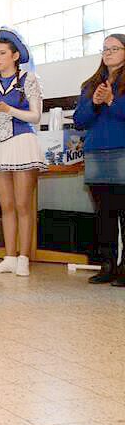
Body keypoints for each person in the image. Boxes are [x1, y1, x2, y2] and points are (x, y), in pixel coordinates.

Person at [0, 27, 46, 277]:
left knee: (23, 204)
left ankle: (23, 258)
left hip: (23, 142)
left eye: (2, 53)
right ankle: (9, 257)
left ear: (15, 56)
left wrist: (9, 110)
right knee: (5, 205)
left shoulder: (29, 79)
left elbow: (35, 116)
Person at [73, 33, 125, 286]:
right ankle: (107, 265)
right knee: (104, 213)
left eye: (115, 48)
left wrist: (111, 100)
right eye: (105, 49)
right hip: (96, 154)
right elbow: (79, 121)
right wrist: (94, 102)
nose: (108, 52)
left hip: (122, 151)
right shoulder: (91, 84)